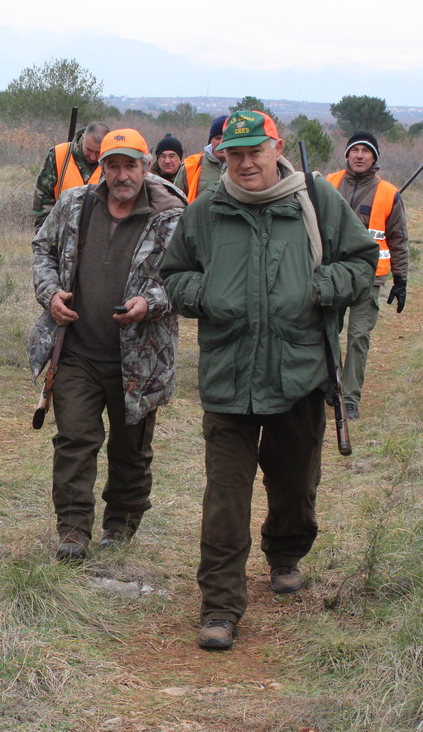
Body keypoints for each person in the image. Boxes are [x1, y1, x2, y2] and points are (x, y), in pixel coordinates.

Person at [160, 111, 377, 650]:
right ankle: (220, 606)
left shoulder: (315, 199)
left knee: (294, 486)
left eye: (256, 151)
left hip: (299, 375)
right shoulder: (207, 210)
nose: (246, 162)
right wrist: (204, 295)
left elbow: (362, 259)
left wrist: (319, 287)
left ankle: (285, 553)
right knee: (224, 498)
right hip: (228, 378)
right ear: (221, 156)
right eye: (235, 154)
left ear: (275, 147)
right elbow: (173, 273)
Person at [28, 129, 186, 560]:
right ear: (102, 167)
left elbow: (190, 278)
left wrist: (149, 302)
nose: (120, 175)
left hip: (141, 360)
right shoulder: (75, 203)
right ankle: (74, 531)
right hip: (75, 350)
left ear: (145, 167)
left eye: (129, 165)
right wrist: (50, 292)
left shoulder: (172, 215)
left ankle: (119, 524)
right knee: (75, 440)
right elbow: (42, 248)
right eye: (112, 165)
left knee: (130, 448)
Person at [325, 131, 410, 420]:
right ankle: (331, 386)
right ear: (347, 155)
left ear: (374, 158)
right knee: (327, 333)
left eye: (366, 151)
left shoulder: (389, 193)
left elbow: (398, 240)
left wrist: (401, 280)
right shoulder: (327, 184)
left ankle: (350, 398)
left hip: (368, 277)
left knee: (358, 336)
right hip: (332, 275)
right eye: (354, 150)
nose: (359, 155)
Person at [32, 121, 110, 229]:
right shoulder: (58, 154)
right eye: (89, 150)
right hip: (60, 234)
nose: (93, 157)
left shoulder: (112, 164)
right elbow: (43, 196)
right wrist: (45, 233)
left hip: (96, 235)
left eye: (98, 152)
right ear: (83, 138)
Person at [174, 114, 228, 202]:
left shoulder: (243, 167)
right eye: (217, 138)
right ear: (210, 140)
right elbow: (174, 201)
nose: (221, 143)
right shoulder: (192, 166)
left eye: (226, 138)